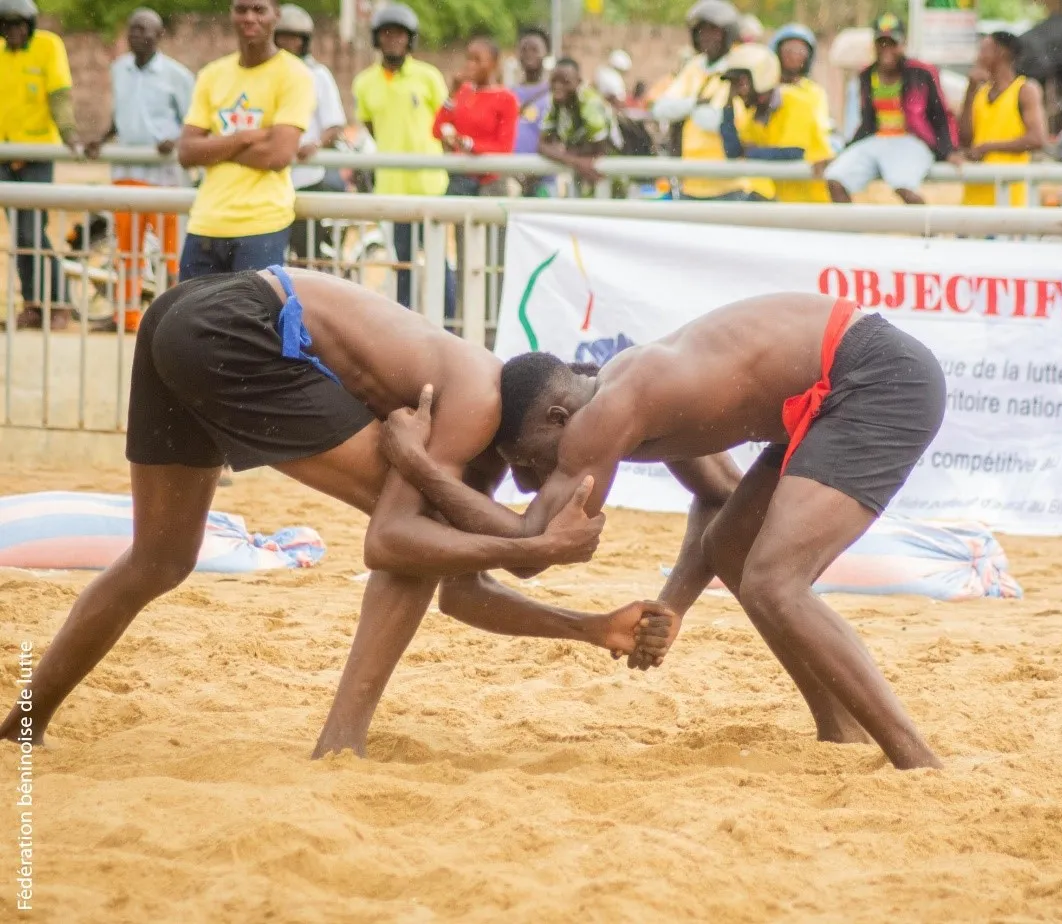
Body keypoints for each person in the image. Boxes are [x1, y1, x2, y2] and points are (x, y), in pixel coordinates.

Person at [0, 267, 676, 759]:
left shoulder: (492, 442)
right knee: (419, 534)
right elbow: (393, 544)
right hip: (232, 327)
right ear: (554, 415)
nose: (551, 479)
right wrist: (529, 543)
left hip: (186, 317)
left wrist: (586, 627)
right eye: (557, 458)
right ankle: (341, 743)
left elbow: (464, 594)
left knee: (160, 558)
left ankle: (22, 727)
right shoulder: (475, 400)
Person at [383, 294, 949, 770]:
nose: (533, 481)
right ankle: (840, 729)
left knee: (776, 582)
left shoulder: (603, 416)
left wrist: (418, 467)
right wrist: (669, 607)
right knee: (732, 547)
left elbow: (530, 547)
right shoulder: (631, 391)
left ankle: (916, 760)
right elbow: (717, 493)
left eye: (529, 461)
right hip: (843, 376)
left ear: (559, 418)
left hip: (873, 376)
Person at [176, 0, 314, 279]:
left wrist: (215, 146)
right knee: (190, 320)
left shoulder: (295, 75)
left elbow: (278, 155)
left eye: (259, 10)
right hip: (205, 223)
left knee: (251, 322)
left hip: (261, 225)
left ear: (276, 15)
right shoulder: (211, 75)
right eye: (241, 10)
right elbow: (187, 153)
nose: (249, 18)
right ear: (231, 14)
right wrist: (246, 138)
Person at [86, 8, 194, 333]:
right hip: (126, 173)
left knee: (171, 253)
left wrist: (172, 140)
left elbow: (193, 123)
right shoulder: (119, 69)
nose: (138, 36)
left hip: (163, 178)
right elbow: (123, 118)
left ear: (160, 36)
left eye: (146, 30)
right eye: (133, 29)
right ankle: (127, 317)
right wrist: (101, 140)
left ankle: (179, 320)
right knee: (128, 251)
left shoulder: (177, 75)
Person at [351, 3, 454, 314]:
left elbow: (444, 121)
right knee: (402, 261)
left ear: (410, 39)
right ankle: (406, 325)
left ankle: (449, 324)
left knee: (439, 261)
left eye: (399, 34)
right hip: (392, 187)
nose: (393, 40)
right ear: (376, 39)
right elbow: (370, 126)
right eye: (386, 33)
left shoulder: (428, 77)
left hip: (430, 184)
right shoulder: (364, 83)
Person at [1, 0, 79, 330]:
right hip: (4, 155)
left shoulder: (48, 46)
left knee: (34, 230)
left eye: (18, 26)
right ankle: (32, 304)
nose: (11, 33)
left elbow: (58, 95)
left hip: (37, 153)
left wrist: (70, 135)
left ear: (30, 26)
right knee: (19, 233)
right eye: (5, 27)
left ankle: (60, 302)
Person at [825, 13, 957, 206]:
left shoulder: (921, 73)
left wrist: (948, 150)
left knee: (904, 188)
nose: (886, 50)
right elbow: (867, 122)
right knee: (835, 180)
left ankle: (929, 232)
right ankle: (851, 234)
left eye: (892, 43)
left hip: (912, 141)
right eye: (881, 43)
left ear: (902, 44)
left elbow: (939, 115)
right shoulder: (867, 75)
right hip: (877, 140)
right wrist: (846, 151)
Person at [650, 0, 750, 201]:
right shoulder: (694, 68)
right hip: (690, 184)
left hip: (729, 186)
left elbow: (716, 122)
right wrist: (694, 105)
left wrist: (686, 109)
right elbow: (660, 109)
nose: (706, 38)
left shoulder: (738, 68)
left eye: (714, 31)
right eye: (701, 31)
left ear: (727, 34)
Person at [274, 4, 347, 265]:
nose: (288, 44)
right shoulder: (266, 73)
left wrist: (315, 144)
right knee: (271, 257)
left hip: (305, 176)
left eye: (294, 38)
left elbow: (334, 123)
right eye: (282, 37)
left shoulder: (317, 75)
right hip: (269, 179)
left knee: (306, 256)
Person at [718, 43, 832, 203]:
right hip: (787, 205)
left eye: (740, 83)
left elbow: (792, 153)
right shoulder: (754, 117)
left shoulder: (796, 102)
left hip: (816, 206)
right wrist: (728, 106)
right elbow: (734, 152)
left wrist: (751, 152)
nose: (737, 91)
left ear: (760, 77)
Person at [953, 32, 1046, 208]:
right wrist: (970, 89)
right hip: (974, 201)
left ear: (1001, 53)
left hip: (1009, 202)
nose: (979, 56)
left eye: (984, 50)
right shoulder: (979, 93)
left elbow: (1037, 139)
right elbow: (964, 139)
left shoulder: (1024, 90)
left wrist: (988, 147)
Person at [433, 35, 518, 197]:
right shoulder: (463, 91)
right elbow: (437, 130)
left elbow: (505, 147)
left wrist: (471, 145)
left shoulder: (507, 99)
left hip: (491, 181)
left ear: (494, 63)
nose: (470, 65)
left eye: (477, 60)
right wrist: (452, 92)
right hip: (461, 178)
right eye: (468, 59)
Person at [539, 58, 620, 198]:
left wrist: (566, 155)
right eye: (554, 81)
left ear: (578, 82)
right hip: (582, 172)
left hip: (613, 170)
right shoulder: (556, 103)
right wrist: (576, 161)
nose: (558, 87)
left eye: (565, 82)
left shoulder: (589, 101)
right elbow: (542, 145)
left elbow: (600, 148)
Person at [509, 27, 552, 197]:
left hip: (544, 179)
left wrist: (534, 173)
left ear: (546, 53)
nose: (529, 54)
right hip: (513, 178)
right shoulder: (509, 94)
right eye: (524, 49)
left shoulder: (554, 94)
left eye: (535, 49)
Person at [769, 23, 831, 137]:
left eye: (800, 50)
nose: (794, 56)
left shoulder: (815, 92)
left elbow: (821, 128)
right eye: (789, 50)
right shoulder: (766, 90)